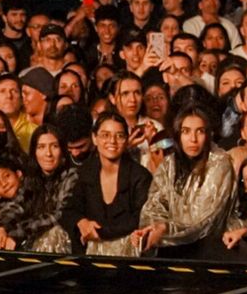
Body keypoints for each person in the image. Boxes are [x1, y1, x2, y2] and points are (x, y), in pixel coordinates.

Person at [134, 105, 235, 257]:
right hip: (169, 250)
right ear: (178, 134)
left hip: (208, 252)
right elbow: (154, 207)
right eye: (186, 131)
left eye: (200, 131)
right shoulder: (169, 164)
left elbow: (205, 221)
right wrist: (153, 228)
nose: (193, 139)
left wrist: (165, 229)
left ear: (208, 134)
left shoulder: (219, 162)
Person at [61, 112, 153, 256]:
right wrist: (81, 221)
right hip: (88, 252)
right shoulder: (81, 173)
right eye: (105, 135)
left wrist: (100, 233)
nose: (112, 141)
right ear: (94, 138)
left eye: (120, 136)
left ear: (127, 139)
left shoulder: (140, 176)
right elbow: (67, 209)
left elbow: (141, 219)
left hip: (127, 253)